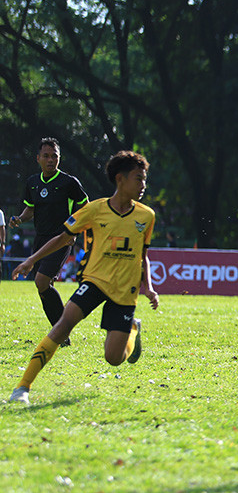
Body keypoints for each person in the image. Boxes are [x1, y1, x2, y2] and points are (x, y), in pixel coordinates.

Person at [8, 151, 158, 406]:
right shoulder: (95, 210)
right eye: (138, 179)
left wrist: (149, 288)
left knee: (113, 358)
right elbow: (63, 238)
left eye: (144, 179)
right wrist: (31, 260)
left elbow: (142, 255)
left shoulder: (146, 216)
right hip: (95, 281)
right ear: (120, 179)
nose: (143, 185)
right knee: (63, 325)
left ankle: (133, 329)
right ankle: (22, 388)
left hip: (124, 291)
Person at [8, 138, 90, 343]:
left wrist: (73, 231)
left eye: (55, 156)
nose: (51, 160)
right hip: (40, 240)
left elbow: (85, 206)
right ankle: (63, 331)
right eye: (46, 156)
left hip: (62, 239)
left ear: (59, 158)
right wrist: (20, 218)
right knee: (43, 286)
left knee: (41, 281)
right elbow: (30, 209)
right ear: (38, 158)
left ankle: (60, 333)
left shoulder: (69, 183)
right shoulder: (32, 183)